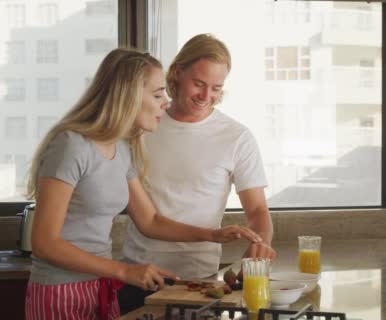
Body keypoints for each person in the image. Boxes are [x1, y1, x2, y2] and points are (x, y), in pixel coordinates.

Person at [24, 47, 263, 320]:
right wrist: (125, 271)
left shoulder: (122, 148)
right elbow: (44, 242)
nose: (165, 102)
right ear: (128, 95)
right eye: (158, 94)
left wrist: (212, 234)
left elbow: (149, 220)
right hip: (60, 290)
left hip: (100, 286)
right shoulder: (71, 145)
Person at [119, 34, 277, 313]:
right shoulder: (143, 123)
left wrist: (260, 244)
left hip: (199, 282)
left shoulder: (237, 137)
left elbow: (258, 211)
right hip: (139, 276)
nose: (207, 97)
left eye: (217, 88)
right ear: (177, 72)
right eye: (199, 84)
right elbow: (147, 218)